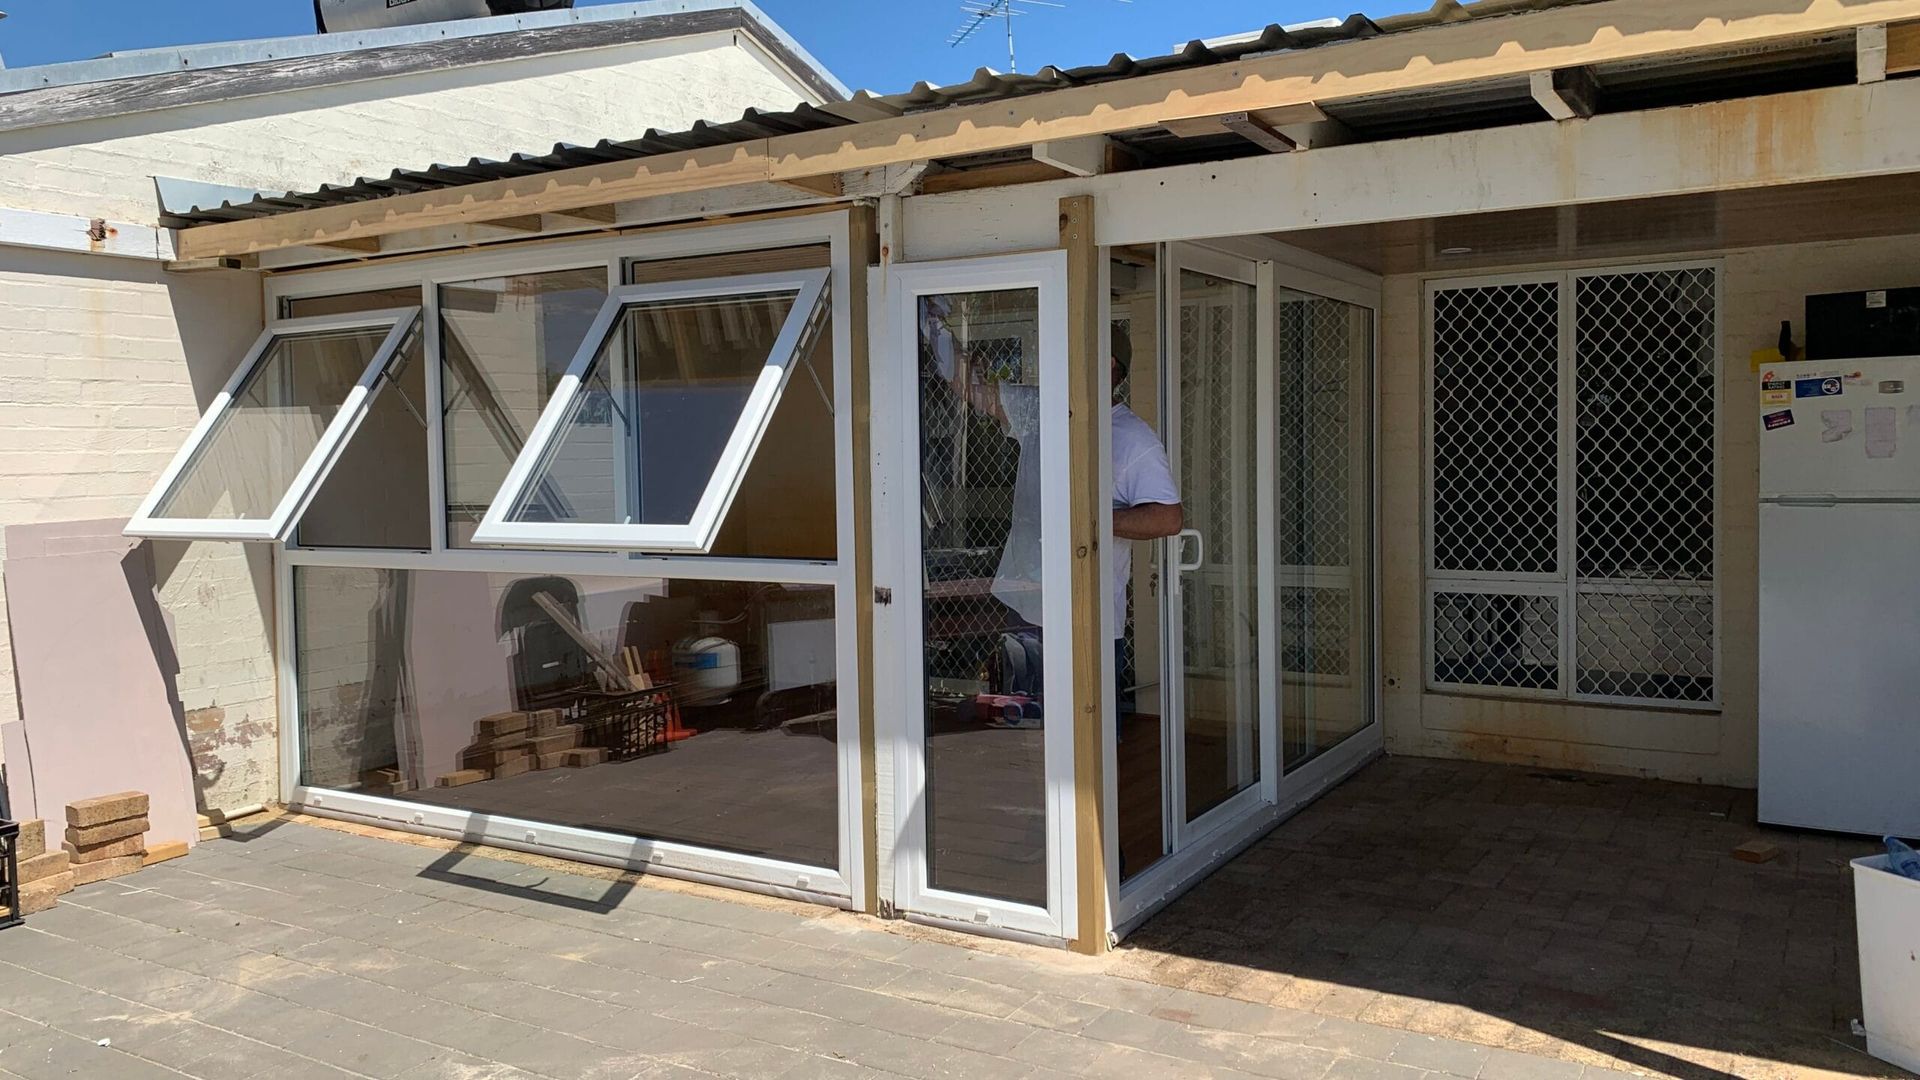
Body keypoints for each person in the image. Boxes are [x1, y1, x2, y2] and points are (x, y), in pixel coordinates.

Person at [984, 328, 1182, 714]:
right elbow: (980, 395)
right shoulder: (1039, 409)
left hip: (1085, 615)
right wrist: (933, 327)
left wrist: (1086, 521)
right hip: (1025, 602)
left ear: (1111, 367)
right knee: (1024, 726)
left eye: (1078, 352)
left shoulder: (1132, 439)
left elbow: (1167, 517)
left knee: (1091, 735)